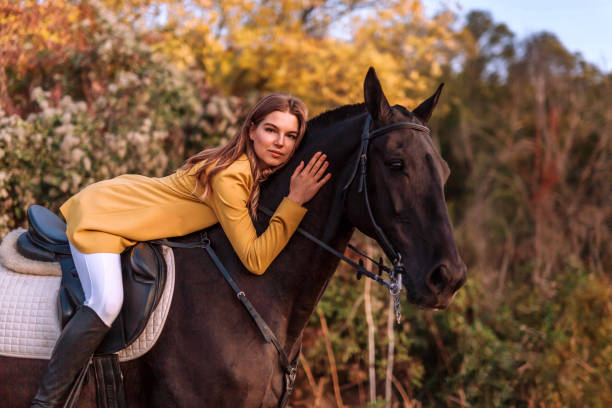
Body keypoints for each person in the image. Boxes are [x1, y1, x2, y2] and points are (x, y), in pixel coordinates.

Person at [31, 93, 331, 407]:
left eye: (291, 135)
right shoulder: (230, 175)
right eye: (272, 130)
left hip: (126, 210)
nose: (280, 142)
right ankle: (46, 401)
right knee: (106, 302)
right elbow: (255, 259)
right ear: (252, 130)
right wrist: (294, 202)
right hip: (106, 216)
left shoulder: (253, 172)